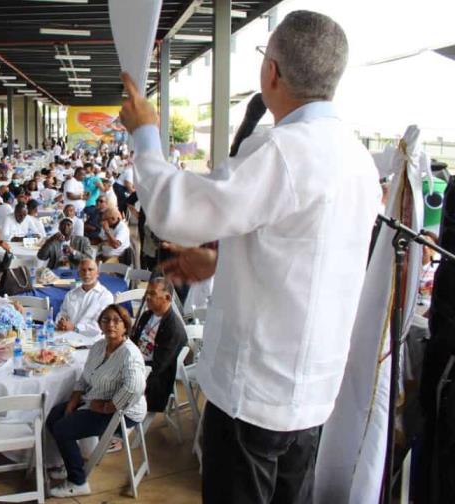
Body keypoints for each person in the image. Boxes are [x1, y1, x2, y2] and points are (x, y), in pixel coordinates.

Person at [119, 11, 379, 503]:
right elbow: (310, 263)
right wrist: (221, 265)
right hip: (310, 398)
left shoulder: (284, 150)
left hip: (254, 397)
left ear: (272, 73)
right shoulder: (358, 160)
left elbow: (175, 211)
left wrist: (145, 133)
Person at [46, 304, 147, 497]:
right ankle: (70, 464)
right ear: (100, 324)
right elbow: (85, 377)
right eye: (106, 320)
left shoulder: (129, 354)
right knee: (54, 416)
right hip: (93, 400)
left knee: (63, 428)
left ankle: (78, 481)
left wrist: (107, 407)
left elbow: (135, 387)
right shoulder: (99, 346)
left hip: (122, 412)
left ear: (125, 326)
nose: (111, 325)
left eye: (117, 321)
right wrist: (73, 401)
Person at [129, 277, 188, 413]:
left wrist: (130, 369)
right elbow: (133, 342)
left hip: (152, 380)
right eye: (147, 293)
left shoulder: (173, 328)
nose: (147, 297)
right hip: (135, 365)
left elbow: (159, 367)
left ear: (167, 297)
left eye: (152, 294)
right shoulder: (147, 315)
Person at [56, 259, 114, 336]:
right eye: (83, 270)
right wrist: (61, 322)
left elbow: (99, 326)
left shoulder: (105, 296)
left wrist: (75, 328)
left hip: (91, 341)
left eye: (90, 270)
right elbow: (62, 313)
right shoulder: (71, 294)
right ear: (79, 274)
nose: (86, 273)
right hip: (68, 337)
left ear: (97, 273)